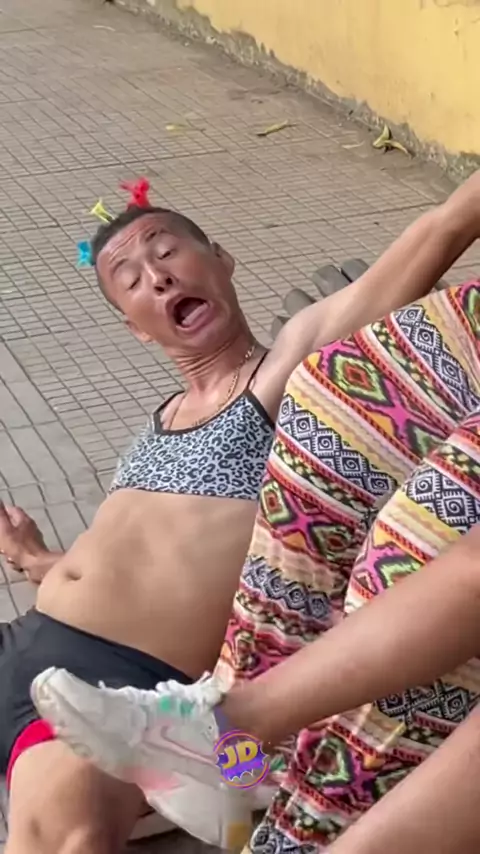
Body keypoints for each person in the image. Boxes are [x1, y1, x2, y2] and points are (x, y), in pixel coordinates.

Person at [1, 173, 480, 854]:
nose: (157, 278)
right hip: (26, 638)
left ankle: (202, 766)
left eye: (166, 250)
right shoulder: (157, 424)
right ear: (133, 328)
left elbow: (441, 228)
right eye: (130, 279)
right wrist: (37, 558)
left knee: (57, 838)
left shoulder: (285, 374)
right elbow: (135, 566)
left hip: (121, 680)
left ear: (222, 260)